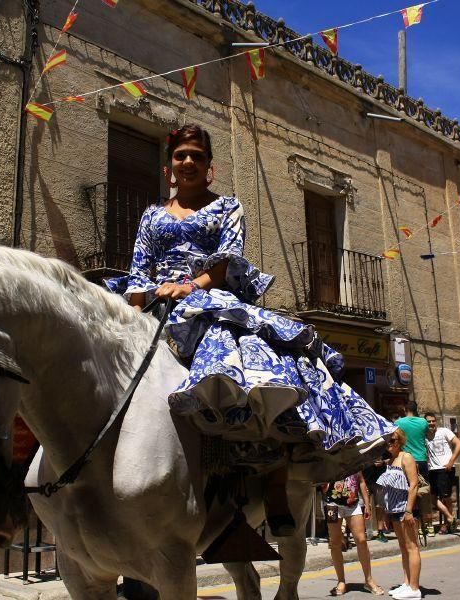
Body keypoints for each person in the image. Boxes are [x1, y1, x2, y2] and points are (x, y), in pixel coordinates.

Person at [106, 124, 394, 535]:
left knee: (261, 373)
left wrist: (189, 285)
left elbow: (225, 263)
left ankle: (275, 479)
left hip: (208, 299)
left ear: (209, 167)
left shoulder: (228, 207)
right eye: (180, 155)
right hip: (156, 304)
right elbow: (138, 272)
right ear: (169, 165)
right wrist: (132, 319)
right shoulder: (152, 215)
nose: (187, 162)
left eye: (196, 156)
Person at [376, 429, 422, 599]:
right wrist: (387, 513)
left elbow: (414, 484)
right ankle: (407, 583)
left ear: (400, 441)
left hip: (405, 509)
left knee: (412, 547)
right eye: (387, 441)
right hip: (394, 510)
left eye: (393, 440)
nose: (389, 444)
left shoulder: (406, 457)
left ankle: (415, 588)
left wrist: (409, 510)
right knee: (403, 547)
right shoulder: (390, 460)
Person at [322, 473, 384, 596]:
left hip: (353, 505)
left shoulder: (353, 457)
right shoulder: (329, 457)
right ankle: (341, 581)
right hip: (331, 506)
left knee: (361, 540)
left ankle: (369, 580)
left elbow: (361, 481)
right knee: (335, 543)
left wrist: (367, 504)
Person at [424, 412, 460, 534]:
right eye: (429, 421)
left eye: (433, 421)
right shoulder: (424, 435)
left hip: (445, 468)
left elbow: (459, 444)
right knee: (432, 498)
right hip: (432, 469)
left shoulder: (444, 431)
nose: (431, 423)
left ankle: (447, 525)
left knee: (446, 497)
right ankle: (450, 518)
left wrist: (451, 461)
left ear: (436, 421)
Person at [395, 402, 430, 527]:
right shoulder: (423, 422)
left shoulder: (399, 423)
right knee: (422, 492)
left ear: (405, 409)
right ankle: (424, 525)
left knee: (409, 492)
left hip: (407, 460)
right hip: (421, 459)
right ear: (416, 410)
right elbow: (427, 435)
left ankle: (412, 521)